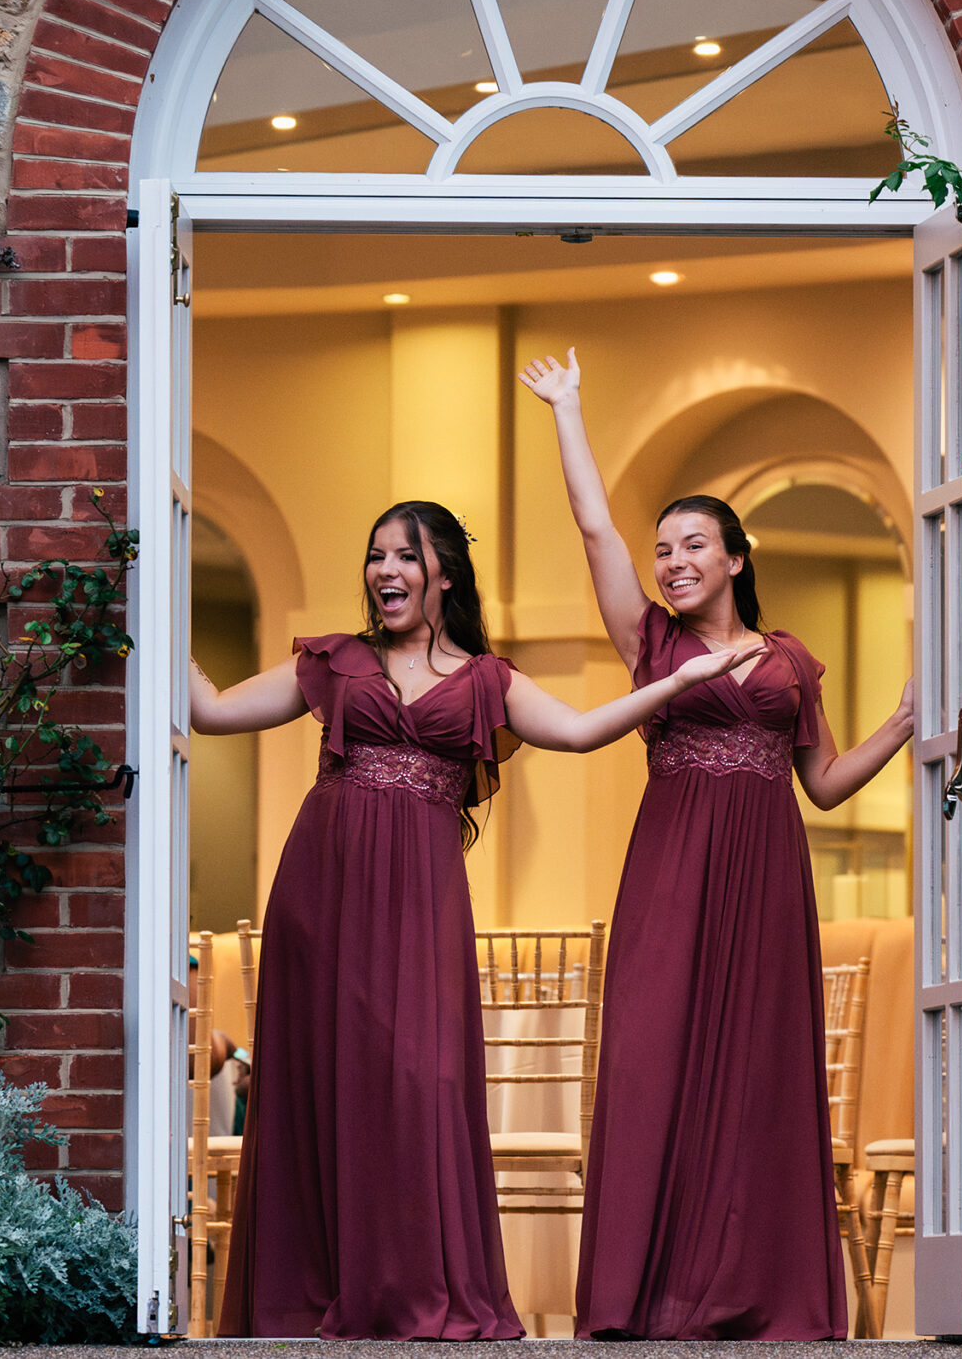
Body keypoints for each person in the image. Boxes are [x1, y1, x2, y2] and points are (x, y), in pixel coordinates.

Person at [197, 499, 762, 1341]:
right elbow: (211, 712)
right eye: (375, 555)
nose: (385, 570)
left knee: (423, 1080)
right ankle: (310, 1294)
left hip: (421, 902)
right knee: (325, 1083)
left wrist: (671, 684)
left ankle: (422, 1291)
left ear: (443, 575)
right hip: (321, 894)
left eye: (404, 557)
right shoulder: (336, 660)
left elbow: (574, 732)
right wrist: (146, 600)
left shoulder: (486, 680)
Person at [518, 349, 916, 1341]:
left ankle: (752, 1291)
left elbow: (820, 784)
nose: (672, 561)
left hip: (766, 881)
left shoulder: (789, 662)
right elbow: (590, 527)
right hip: (670, 872)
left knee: (756, 1078)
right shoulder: (647, 644)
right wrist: (568, 409)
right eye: (665, 550)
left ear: (736, 557)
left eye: (693, 545)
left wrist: (903, 725)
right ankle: (639, 1297)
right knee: (653, 1062)